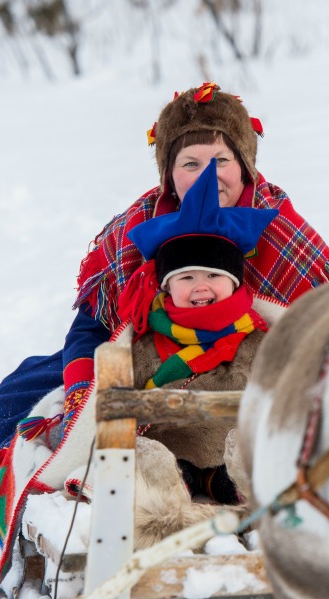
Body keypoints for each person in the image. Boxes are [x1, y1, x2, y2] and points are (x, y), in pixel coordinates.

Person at [0, 82, 329, 493]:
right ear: (168, 172)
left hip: (247, 369)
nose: (208, 176)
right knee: (19, 403)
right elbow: (91, 327)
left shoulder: (279, 230)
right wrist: (82, 391)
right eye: (191, 163)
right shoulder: (138, 225)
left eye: (222, 160)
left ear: (245, 164)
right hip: (151, 358)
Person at [122, 157, 275, 547]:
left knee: (256, 444)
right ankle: (168, 508)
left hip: (234, 465)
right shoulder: (144, 344)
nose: (200, 286)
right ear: (167, 289)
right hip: (175, 462)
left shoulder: (257, 340)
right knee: (147, 460)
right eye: (186, 277)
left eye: (214, 276)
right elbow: (116, 407)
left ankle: (255, 499)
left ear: (235, 282)